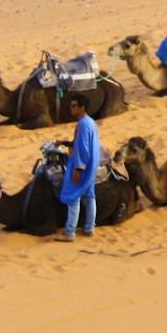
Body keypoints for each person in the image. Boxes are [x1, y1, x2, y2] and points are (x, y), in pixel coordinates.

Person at [55, 92, 100, 241]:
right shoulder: (90, 122)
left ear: (82, 108)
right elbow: (81, 143)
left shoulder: (82, 124)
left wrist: (78, 169)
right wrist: (65, 143)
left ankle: (69, 232)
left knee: (73, 197)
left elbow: (83, 148)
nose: (71, 108)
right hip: (91, 167)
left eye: (74, 106)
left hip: (82, 166)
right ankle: (89, 228)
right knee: (89, 197)